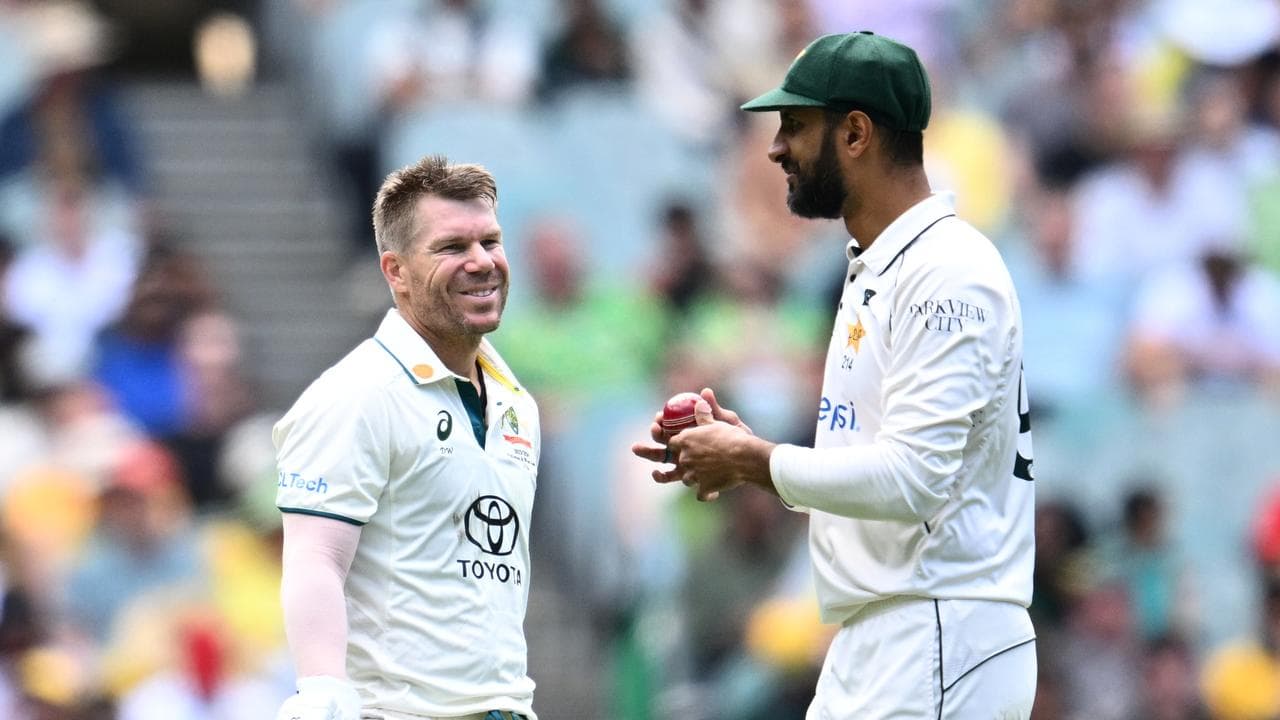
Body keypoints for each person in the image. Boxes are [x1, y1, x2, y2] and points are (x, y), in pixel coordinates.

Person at [633, 32, 1037, 718]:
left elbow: (913, 479)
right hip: (882, 634)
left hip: (940, 633)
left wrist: (759, 463)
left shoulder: (946, 273)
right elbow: (875, 466)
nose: (775, 147)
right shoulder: (875, 266)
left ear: (855, 133)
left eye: (794, 125)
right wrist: (747, 453)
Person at [273, 156, 539, 720]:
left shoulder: (517, 402)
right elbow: (315, 557)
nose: (481, 263)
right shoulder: (356, 395)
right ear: (395, 271)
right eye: (451, 248)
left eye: (490, 241)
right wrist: (322, 687)